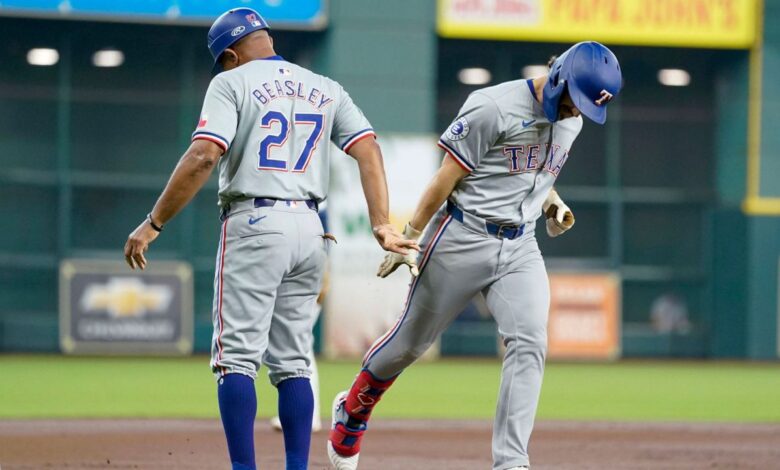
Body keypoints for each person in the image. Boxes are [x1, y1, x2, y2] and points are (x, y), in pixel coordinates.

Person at [122, 8, 417, 470]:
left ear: (231, 55)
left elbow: (203, 155)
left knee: (236, 359)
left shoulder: (230, 82)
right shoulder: (325, 87)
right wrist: (381, 221)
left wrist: (154, 222)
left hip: (255, 221)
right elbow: (367, 148)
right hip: (311, 229)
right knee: (294, 361)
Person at [326, 41, 622, 470]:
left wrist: (551, 201)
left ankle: (511, 462)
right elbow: (445, 179)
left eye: (588, 108)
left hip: (521, 246)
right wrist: (410, 236)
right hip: (462, 236)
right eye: (576, 102)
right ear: (559, 79)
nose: (578, 113)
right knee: (409, 344)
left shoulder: (570, 122)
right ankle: (353, 409)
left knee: (530, 341)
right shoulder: (493, 107)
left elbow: (530, 173)